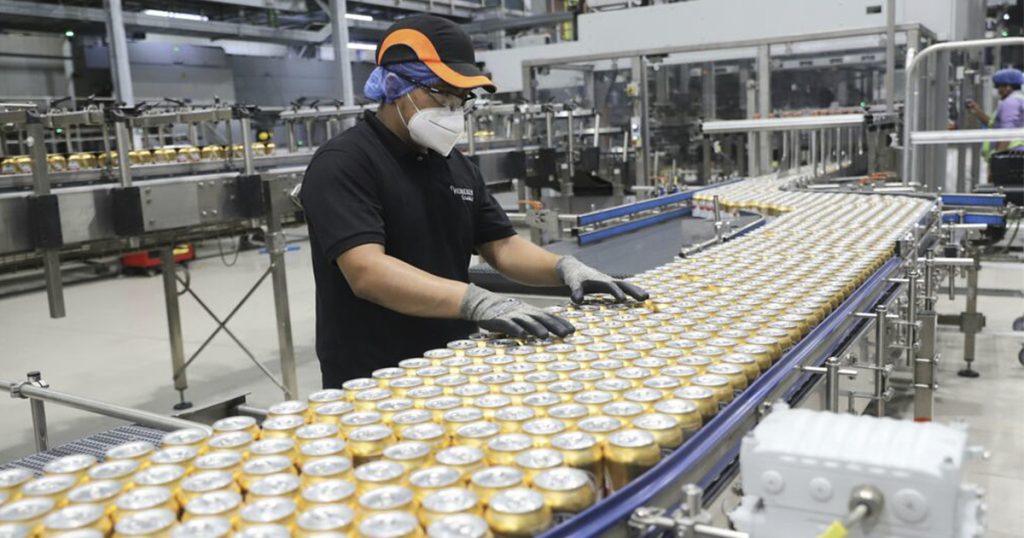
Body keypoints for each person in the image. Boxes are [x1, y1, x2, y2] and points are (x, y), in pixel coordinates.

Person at [299, 15, 647, 388]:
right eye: (441, 93)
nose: (452, 108)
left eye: (460, 98)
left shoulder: (455, 165)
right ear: (394, 85)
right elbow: (368, 272)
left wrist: (565, 268)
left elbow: (502, 247)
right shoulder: (345, 162)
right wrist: (477, 301)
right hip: (373, 378)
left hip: (454, 361)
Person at [966, 67, 1024, 160]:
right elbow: (996, 126)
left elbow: (1007, 132)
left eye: (998, 86)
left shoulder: (1011, 103)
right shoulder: (1018, 100)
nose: (998, 91)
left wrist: (998, 159)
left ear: (1008, 87)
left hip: (1011, 157)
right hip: (1014, 155)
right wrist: (978, 113)